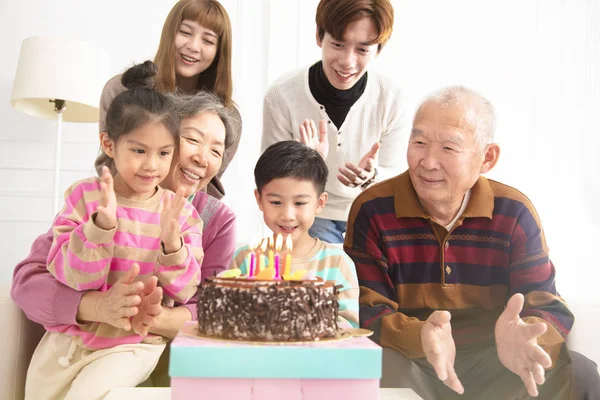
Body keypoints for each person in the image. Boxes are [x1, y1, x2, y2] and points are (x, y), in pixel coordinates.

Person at [344, 86, 600, 399]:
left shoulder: (514, 212)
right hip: (416, 361)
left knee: (579, 371)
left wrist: (528, 339)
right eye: (419, 142)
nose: (428, 161)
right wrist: (421, 336)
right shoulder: (373, 209)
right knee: (378, 367)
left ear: (487, 158)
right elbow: (367, 312)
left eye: (449, 148)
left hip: (497, 362)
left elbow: (544, 300)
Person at [12, 74, 239, 392]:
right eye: (194, 139)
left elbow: (210, 306)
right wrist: (98, 304)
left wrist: (148, 314)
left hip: (143, 351)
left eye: (217, 151)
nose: (203, 157)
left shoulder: (205, 218)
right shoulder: (95, 197)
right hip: (75, 340)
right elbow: (30, 280)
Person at [262, 0, 409, 244]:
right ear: (319, 36)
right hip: (309, 214)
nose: (347, 61)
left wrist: (372, 177)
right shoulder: (283, 95)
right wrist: (304, 163)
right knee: (323, 278)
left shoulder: (392, 99)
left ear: (379, 49)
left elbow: (399, 179)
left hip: (371, 213)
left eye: (362, 50)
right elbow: (269, 181)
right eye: (338, 45)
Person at [100, 0, 241, 200]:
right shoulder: (122, 89)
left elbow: (203, 180)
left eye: (208, 41)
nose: (193, 46)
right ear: (170, 32)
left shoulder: (227, 117)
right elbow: (109, 164)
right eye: (185, 32)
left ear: (220, 51)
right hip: (122, 207)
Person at [230, 141, 359, 327]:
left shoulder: (338, 263)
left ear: (320, 203)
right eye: (275, 202)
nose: (288, 216)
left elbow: (349, 327)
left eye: (299, 203)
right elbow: (230, 318)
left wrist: (300, 314)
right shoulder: (245, 259)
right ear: (259, 200)